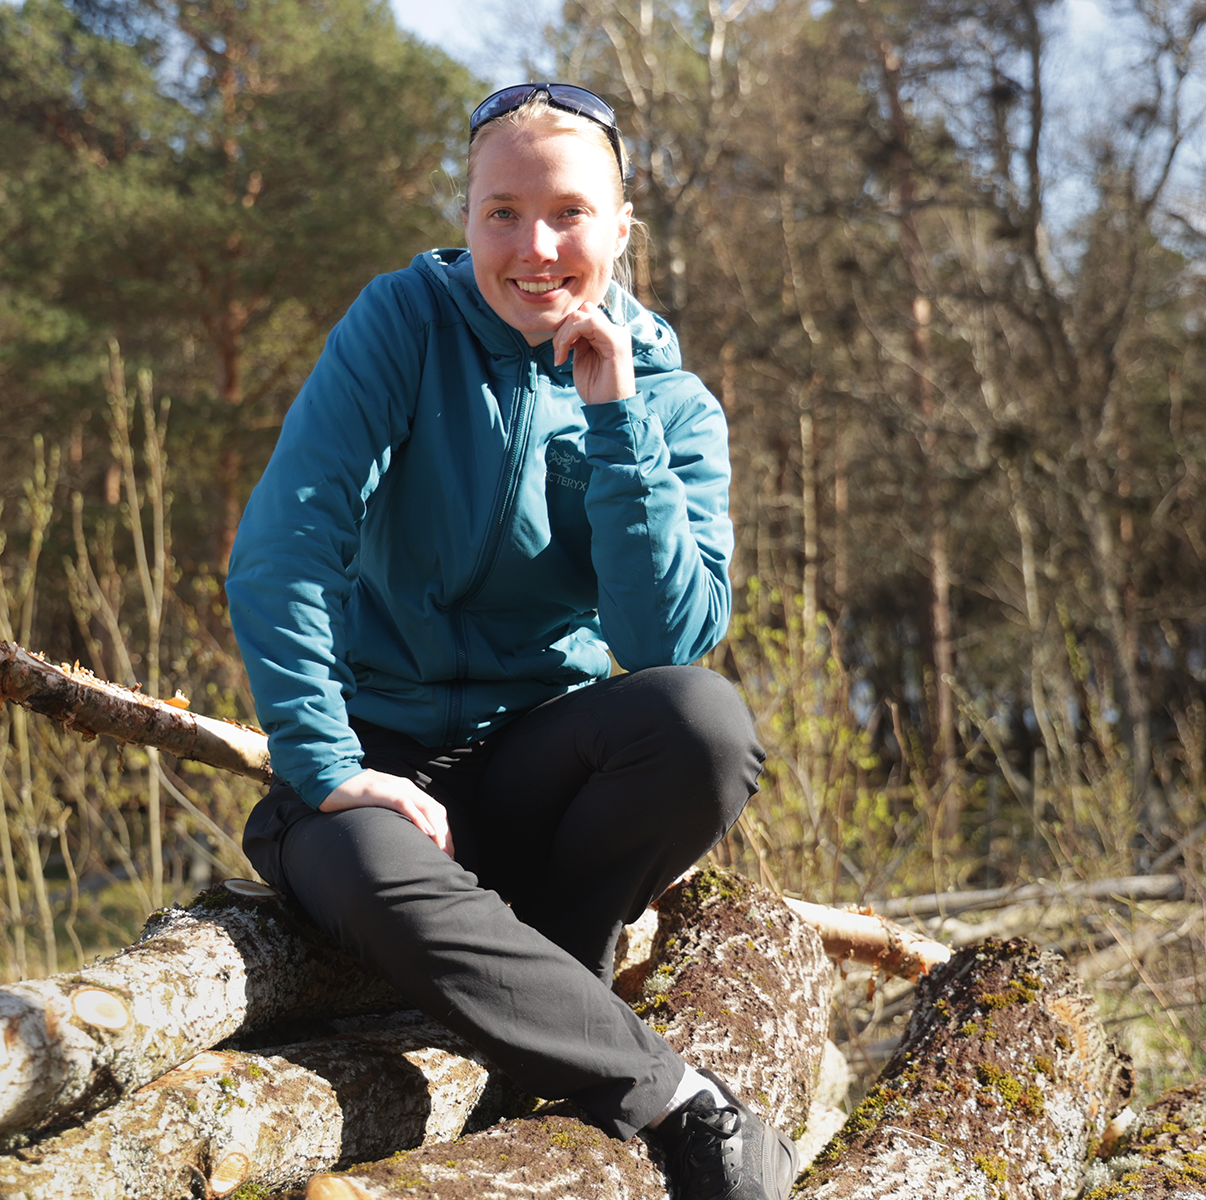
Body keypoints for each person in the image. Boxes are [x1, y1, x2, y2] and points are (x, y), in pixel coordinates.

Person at [226, 82, 794, 1200]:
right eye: (501, 212)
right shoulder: (404, 324)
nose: (534, 247)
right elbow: (284, 547)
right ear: (468, 213)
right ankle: (680, 1102)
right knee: (356, 862)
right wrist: (332, 769)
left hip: (541, 776)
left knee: (703, 724)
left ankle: (543, 989)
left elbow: (667, 639)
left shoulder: (671, 401)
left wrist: (617, 420)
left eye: (569, 213)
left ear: (623, 229)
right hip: (379, 768)